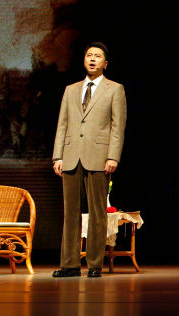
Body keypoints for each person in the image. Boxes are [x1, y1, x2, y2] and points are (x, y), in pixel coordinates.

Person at [51, 42, 127, 277]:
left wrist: (113, 156)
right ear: (84, 60)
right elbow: (62, 124)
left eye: (97, 56)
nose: (92, 59)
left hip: (99, 157)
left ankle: (94, 264)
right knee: (70, 213)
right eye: (89, 55)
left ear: (105, 63)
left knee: (97, 213)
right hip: (71, 156)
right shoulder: (71, 90)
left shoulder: (115, 89)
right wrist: (58, 156)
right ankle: (69, 265)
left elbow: (117, 127)